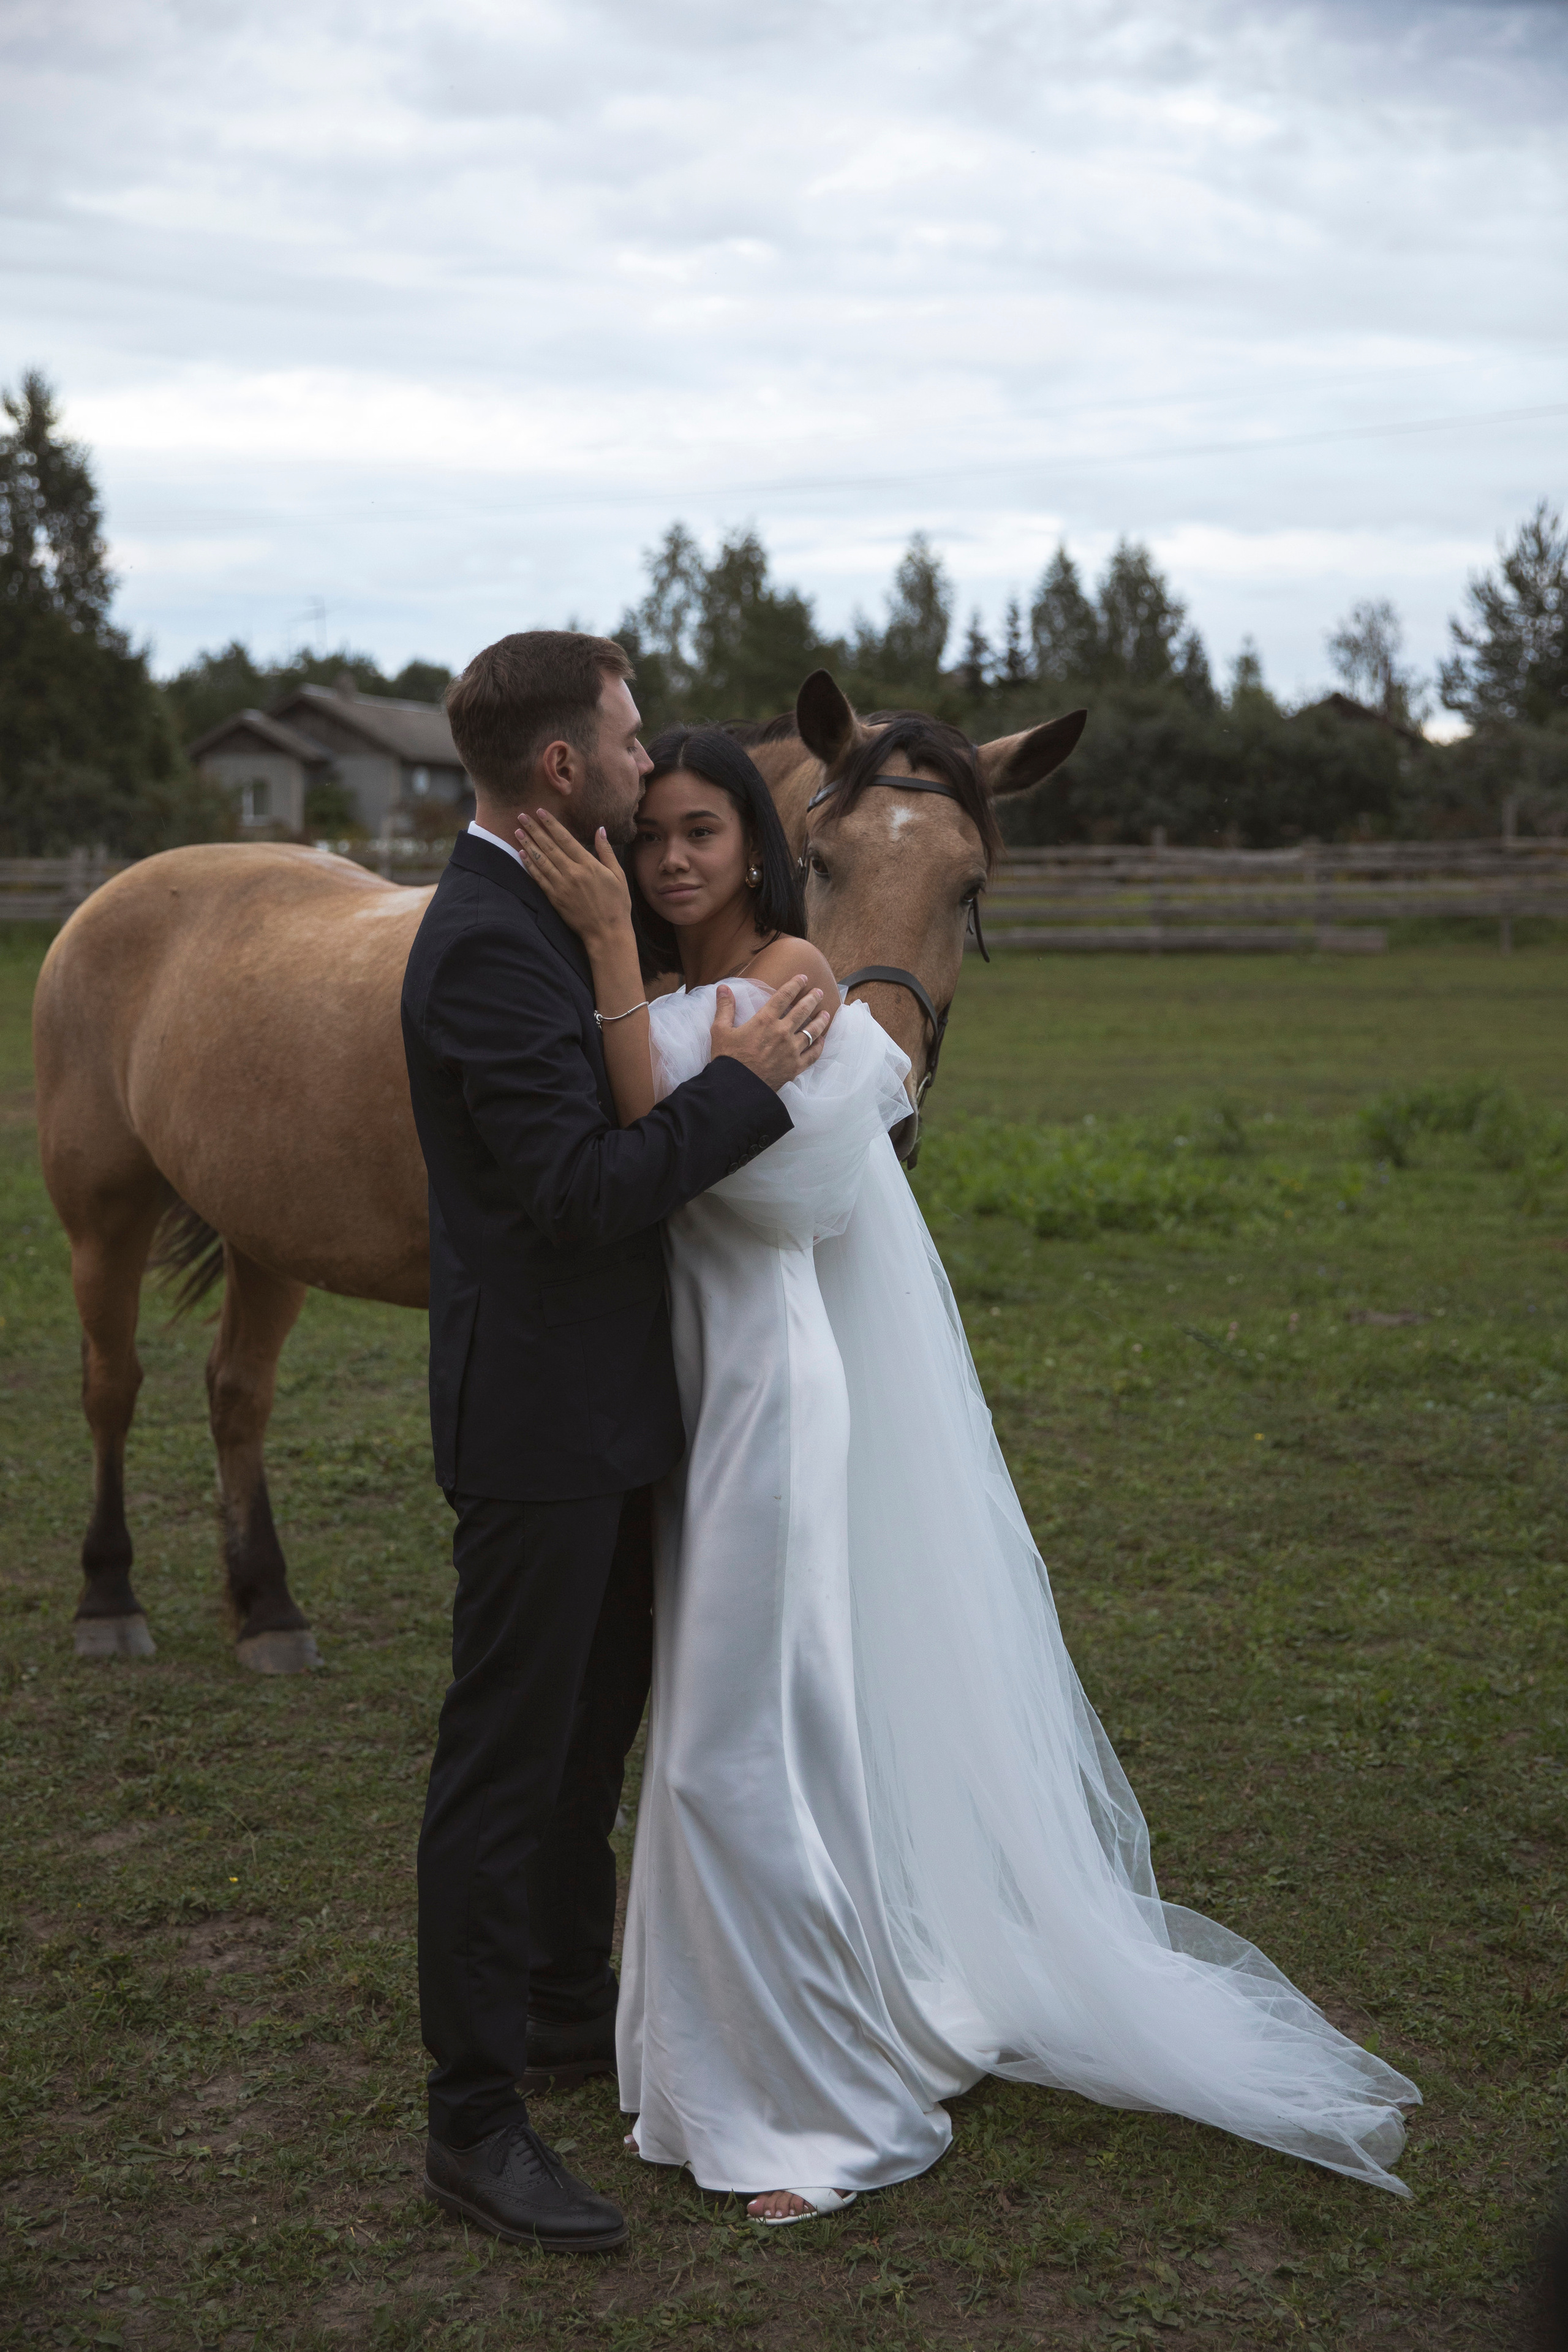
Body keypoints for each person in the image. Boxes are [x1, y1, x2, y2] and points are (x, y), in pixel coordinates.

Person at [515, 718, 1421, 2226]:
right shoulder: (668, 994)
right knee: (710, 1748)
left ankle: (826, 2114)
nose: (671, 860)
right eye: (650, 836)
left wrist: (664, 1019)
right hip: (692, 1399)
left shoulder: (800, 985)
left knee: (738, 1749)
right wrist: (624, 961)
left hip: (763, 1395)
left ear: (758, 844)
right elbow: (625, 1136)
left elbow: (761, 1182)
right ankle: (714, 2066)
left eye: (702, 834)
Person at [400, 635, 833, 2254]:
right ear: (564, 767)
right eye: (631, 739)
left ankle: (566, 2008)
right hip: (534, 1423)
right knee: (505, 1767)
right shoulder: (483, 946)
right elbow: (583, 1191)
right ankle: (472, 2121)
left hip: (609, 1409)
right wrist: (749, 1085)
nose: (651, 763)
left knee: (586, 1742)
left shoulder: (558, 915)